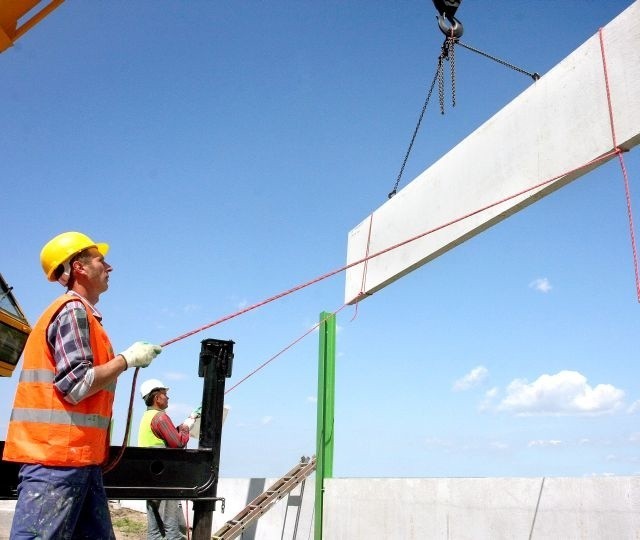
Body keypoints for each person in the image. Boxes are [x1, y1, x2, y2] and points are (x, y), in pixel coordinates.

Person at [2, 231, 163, 540]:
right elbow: (76, 384)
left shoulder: (85, 316)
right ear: (79, 267)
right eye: (101, 260)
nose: (110, 267)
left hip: (79, 462)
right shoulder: (72, 311)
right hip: (57, 464)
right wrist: (127, 359)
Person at [137, 379, 192, 540]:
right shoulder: (160, 417)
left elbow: (166, 437)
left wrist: (178, 429)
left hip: (150, 477)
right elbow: (178, 443)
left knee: (155, 529)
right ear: (157, 398)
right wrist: (186, 429)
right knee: (173, 527)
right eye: (165, 395)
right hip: (164, 477)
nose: (168, 398)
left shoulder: (147, 417)